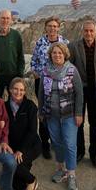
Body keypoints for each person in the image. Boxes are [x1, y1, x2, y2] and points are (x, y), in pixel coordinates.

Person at [38, 42, 83, 190]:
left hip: (69, 114)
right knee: (56, 143)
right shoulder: (45, 71)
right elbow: (41, 93)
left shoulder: (71, 70)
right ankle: (60, 168)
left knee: (70, 144)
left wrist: (78, 113)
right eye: (54, 53)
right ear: (50, 55)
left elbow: (79, 93)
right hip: (51, 114)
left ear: (65, 55)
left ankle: (71, 175)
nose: (57, 55)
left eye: (60, 53)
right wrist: (41, 111)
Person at [68, 20, 96, 167]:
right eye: (86, 31)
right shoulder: (73, 46)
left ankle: (94, 153)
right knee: (78, 122)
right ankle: (80, 151)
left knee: (95, 123)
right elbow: (69, 67)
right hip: (79, 89)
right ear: (82, 31)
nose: (88, 33)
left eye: (91, 31)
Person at [31, 16, 69, 159]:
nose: (52, 28)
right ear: (45, 27)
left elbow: (68, 61)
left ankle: (57, 142)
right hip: (42, 82)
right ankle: (45, 144)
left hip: (59, 82)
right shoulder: (40, 42)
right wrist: (35, 73)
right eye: (50, 26)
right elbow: (34, 60)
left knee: (59, 112)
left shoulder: (64, 42)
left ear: (58, 27)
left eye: (55, 26)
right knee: (44, 112)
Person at [5, 78, 41, 190]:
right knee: (17, 186)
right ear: (10, 90)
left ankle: (32, 180)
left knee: (16, 164)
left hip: (31, 145)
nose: (18, 92)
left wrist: (21, 150)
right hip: (13, 146)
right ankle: (25, 165)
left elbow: (32, 132)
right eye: (15, 89)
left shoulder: (30, 106)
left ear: (25, 92)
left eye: (21, 90)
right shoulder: (4, 107)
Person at [0, 10, 25, 98]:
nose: (5, 21)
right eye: (3, 18)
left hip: (13, 75)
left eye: (7, 18)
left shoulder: (16, 35)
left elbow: (20, 56)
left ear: (11, 20)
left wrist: (20, 75)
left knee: (15, 100)